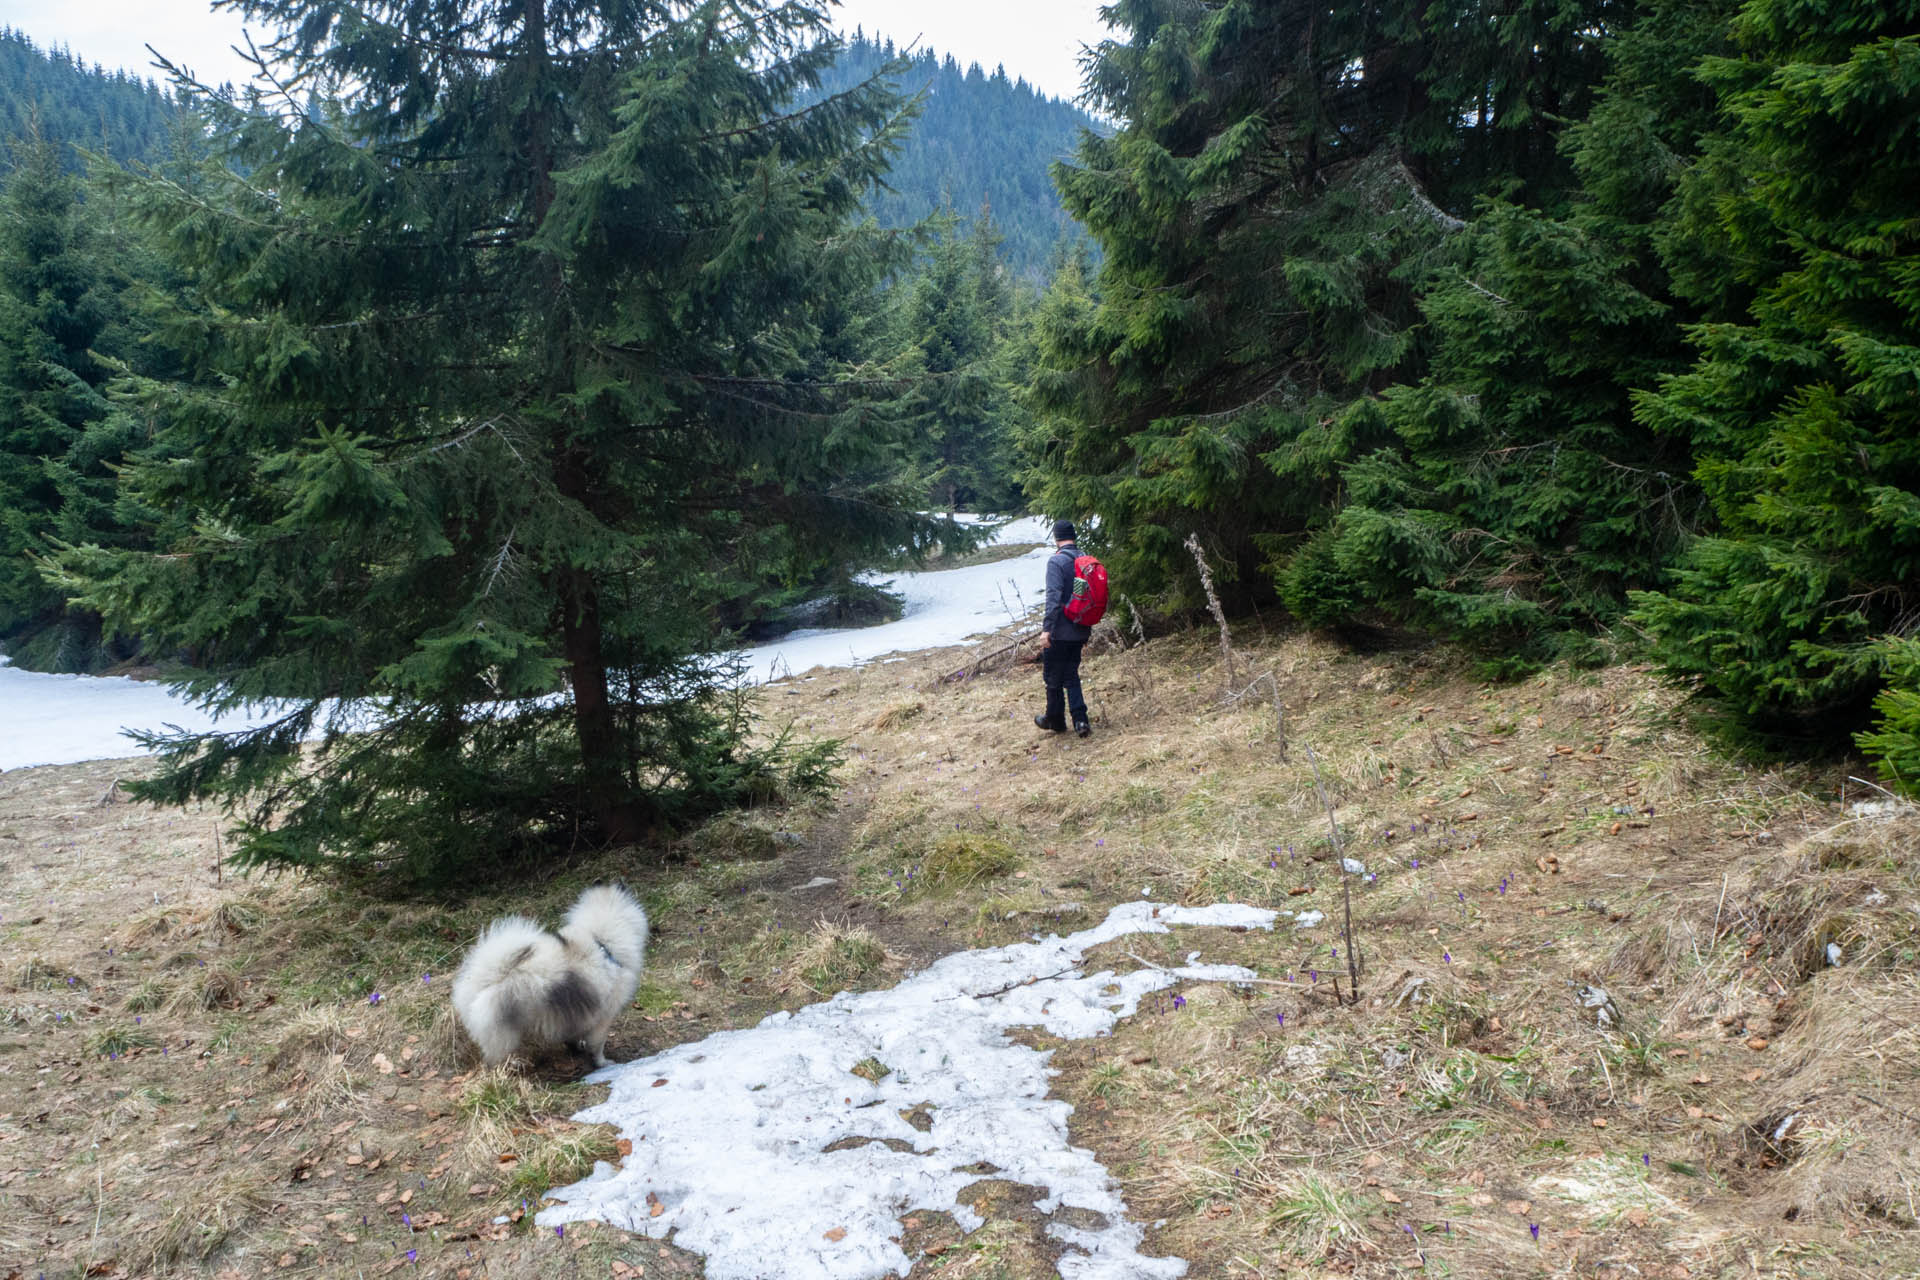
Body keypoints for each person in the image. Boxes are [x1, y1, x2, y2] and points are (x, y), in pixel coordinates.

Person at [1036, 519, 1092, 737]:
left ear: (1056, 537)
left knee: (1052, 675)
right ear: (1073, 536)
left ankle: (1055, 720)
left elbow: (1053, 598)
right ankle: (1080, 721)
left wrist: (1046, 630)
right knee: (1071, 674)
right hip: (1080, 628)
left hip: (1060, 630)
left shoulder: (1056, 562)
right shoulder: (1084, 559)